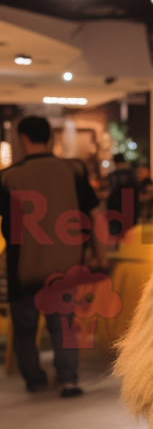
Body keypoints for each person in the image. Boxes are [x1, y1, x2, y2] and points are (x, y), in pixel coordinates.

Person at [0, 116, 105, 397]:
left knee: (24, 330)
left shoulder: (9, 177)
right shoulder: (72, 170)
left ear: (22, 139)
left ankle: (34, 380)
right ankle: (68, 380)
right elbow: (96, 216)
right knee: (63, 327)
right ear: (50, 138)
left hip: (23, 268)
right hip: (64, 267)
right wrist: (101, 257)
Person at [105, 153, 140, 237]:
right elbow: (136, 193)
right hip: (130, 210)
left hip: (114, 210)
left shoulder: (112, 176)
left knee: (115, 238)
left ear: (115, 163)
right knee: (129, 239)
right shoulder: (132, 174)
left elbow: (107, 192)